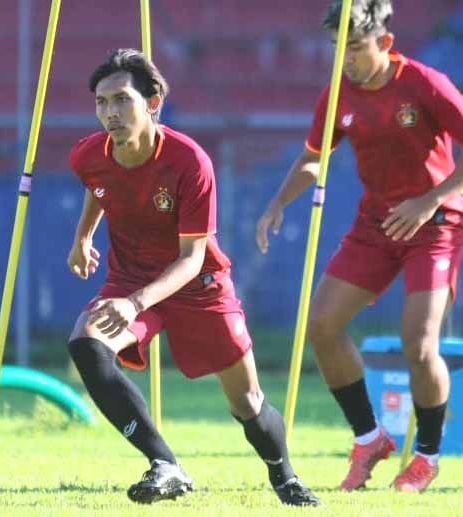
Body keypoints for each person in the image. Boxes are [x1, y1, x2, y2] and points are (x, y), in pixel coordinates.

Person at [255, 0, 463, 493]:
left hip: (435, 224)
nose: (346, 59)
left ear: (384, 43)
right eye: (337, 49)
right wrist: (277, 202)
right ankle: (369, 438)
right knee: (321, 325)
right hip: (376, 224)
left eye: (356, 49)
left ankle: (426, 457)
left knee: (419, 342)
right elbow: (311, 157)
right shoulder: (336, 95)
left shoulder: (425, 83)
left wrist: (430, 202)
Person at [66, 48, 319, 506]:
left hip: (198, 286)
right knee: (87, 344)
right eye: (101, 103)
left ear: (153, 102)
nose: (110, 113)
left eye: (122, 99)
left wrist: (135, 303)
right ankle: (165, 465)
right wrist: (83, 236)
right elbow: (98, 187)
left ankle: (284, 475)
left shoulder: (189, 161)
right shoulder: (89, 155)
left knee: (248, 403)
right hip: (130, 280)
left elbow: (191, 258)